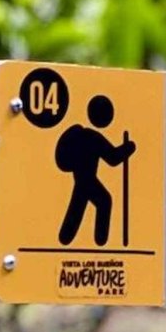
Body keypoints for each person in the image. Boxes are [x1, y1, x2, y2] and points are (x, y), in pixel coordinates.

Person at [55, 94, 136, 246]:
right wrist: (129, 147)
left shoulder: (84, 135)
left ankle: (67, 239)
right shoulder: (93, 137)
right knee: (103, 201)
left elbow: (112, 158)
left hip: (81, 179)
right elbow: (113, 158)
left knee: (80, 205)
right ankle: (100, 243)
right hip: (87, 179)